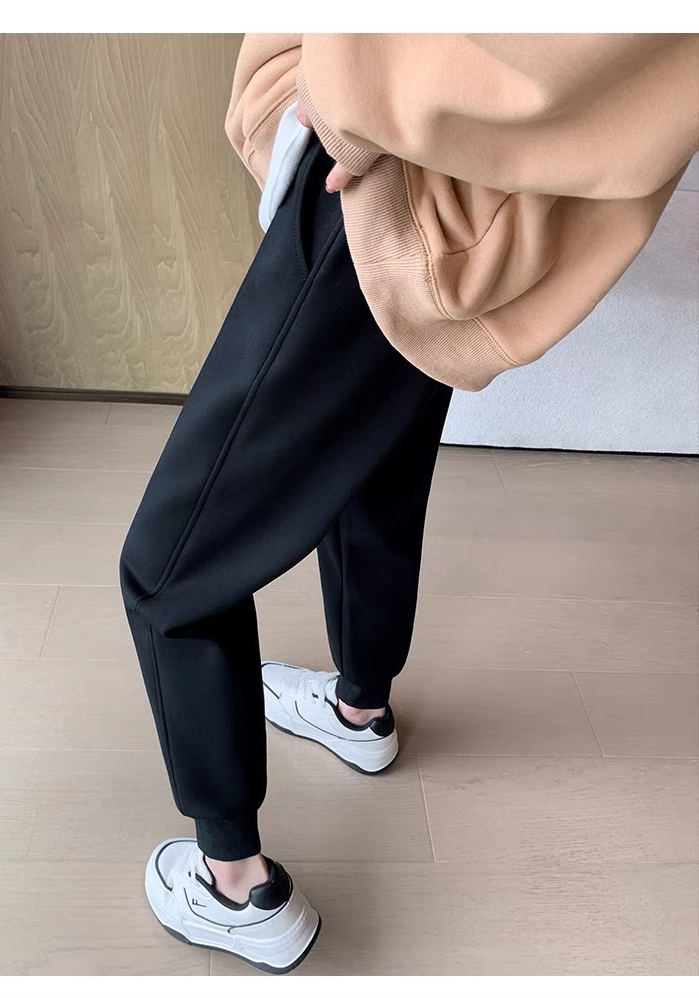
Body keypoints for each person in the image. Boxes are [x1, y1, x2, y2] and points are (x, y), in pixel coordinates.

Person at [118, 33, 698, 974]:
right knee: (373, 463)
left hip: (387, 176)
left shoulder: (377, 136)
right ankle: (359, 710)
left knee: (169, 566)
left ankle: (234, 882)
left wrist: (351, 93)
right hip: (474, 197)